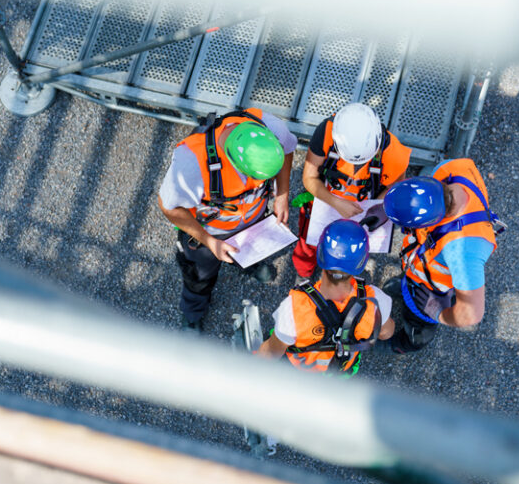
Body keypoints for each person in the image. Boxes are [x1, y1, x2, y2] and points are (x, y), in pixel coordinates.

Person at [158, 109, 296, 332]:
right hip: (209, 234)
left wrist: (282, 195)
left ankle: (248, 264)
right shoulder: (191, 163)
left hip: (253, 220)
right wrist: (210, 242)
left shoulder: (274, 128)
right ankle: (193, 312)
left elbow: (287, 150)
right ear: (233, 161)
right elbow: (169, 208)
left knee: (250, 250)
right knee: (198, 276)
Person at [376, 158, 504, 354]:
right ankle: (405, 285)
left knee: (417, 328)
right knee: (406, 285)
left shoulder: (464, 250)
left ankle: (402, 344)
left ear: (429, 222)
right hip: (420, 267)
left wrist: (438, 312)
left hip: (433, 291)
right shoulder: (452, 169)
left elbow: (471, 314)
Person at [258, 219, 395, 376]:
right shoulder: (376, 299)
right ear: (362, 261)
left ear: (320, 254)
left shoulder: (293, 307)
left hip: (299, 371)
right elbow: (387, 332)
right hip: (338, 371)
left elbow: (269, 354)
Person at [291, 103, 411, 279]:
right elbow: (309, 178)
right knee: (309, 243)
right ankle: (304, 273)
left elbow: (393, 188)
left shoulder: (395, 154)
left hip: (362, 212)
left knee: (353, 248)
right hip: (324, 203)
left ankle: (348, 272)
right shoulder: (327, 132)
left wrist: (376, 209)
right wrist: (335, 202)